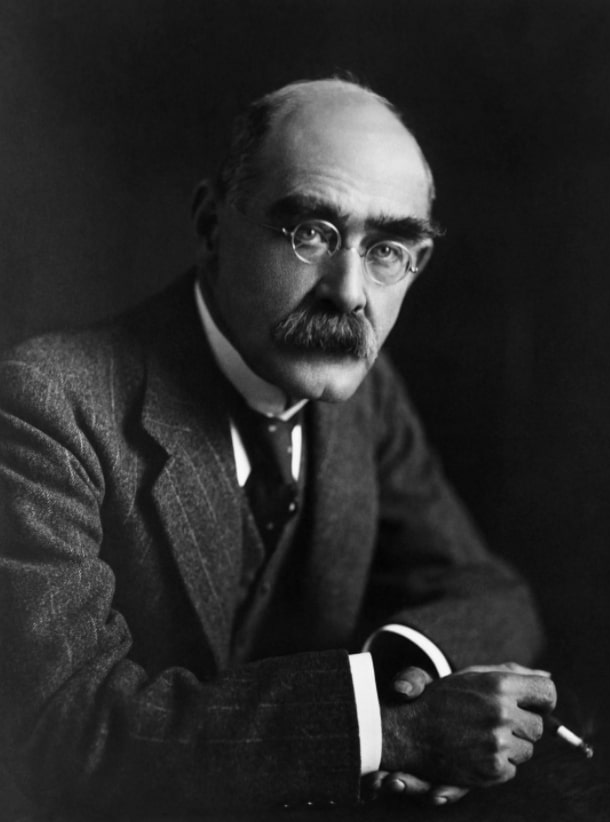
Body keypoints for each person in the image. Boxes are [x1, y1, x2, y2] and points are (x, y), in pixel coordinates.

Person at [0, 77, 555, 816]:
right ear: (211, 225)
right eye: (312, 234)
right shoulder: (46, 407)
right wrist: (389, 732)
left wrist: (410, 680)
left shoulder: (366, 395)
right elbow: (68, 736)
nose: (349, 292)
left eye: (388, 249)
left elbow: (492, 594)